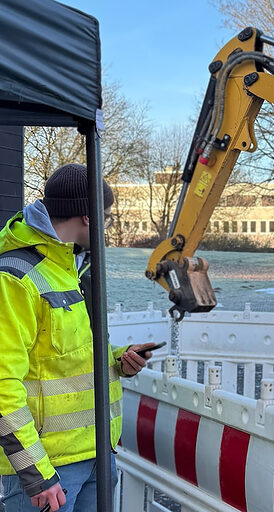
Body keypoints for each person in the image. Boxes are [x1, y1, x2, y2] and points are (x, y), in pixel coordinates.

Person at [0, 164, 156, 512]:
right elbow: (2, 386)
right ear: (88, 217)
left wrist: (118, 359)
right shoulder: (15, 278)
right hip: (48, 470)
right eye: (108, 217)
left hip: (96, 454)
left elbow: (65, 355)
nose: (107, 226)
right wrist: (36, 474)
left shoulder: (71, 267)